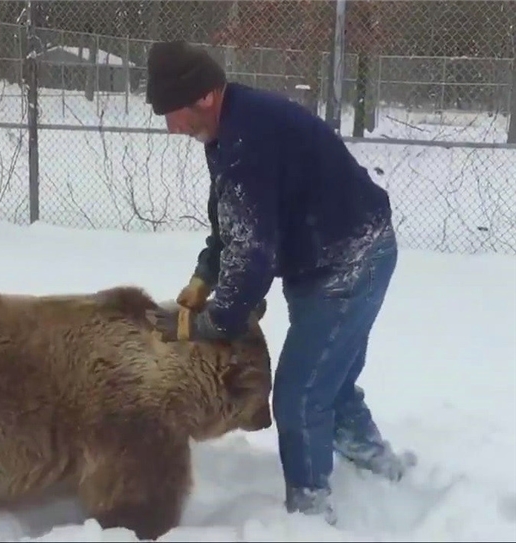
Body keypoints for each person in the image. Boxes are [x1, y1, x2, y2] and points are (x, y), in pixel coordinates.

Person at [143, 40, 417, 526]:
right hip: (330, 256)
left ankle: (310, 514)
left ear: (204, 96)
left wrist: (212, 323)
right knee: (330, 377)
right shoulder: (227, 132)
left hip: (350, 261)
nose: (171, 126)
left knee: (299, 395)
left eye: (172, 112)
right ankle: (378, 463)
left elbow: (252, 255)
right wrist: (205, 274)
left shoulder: (249, 139)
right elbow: (233, 227)